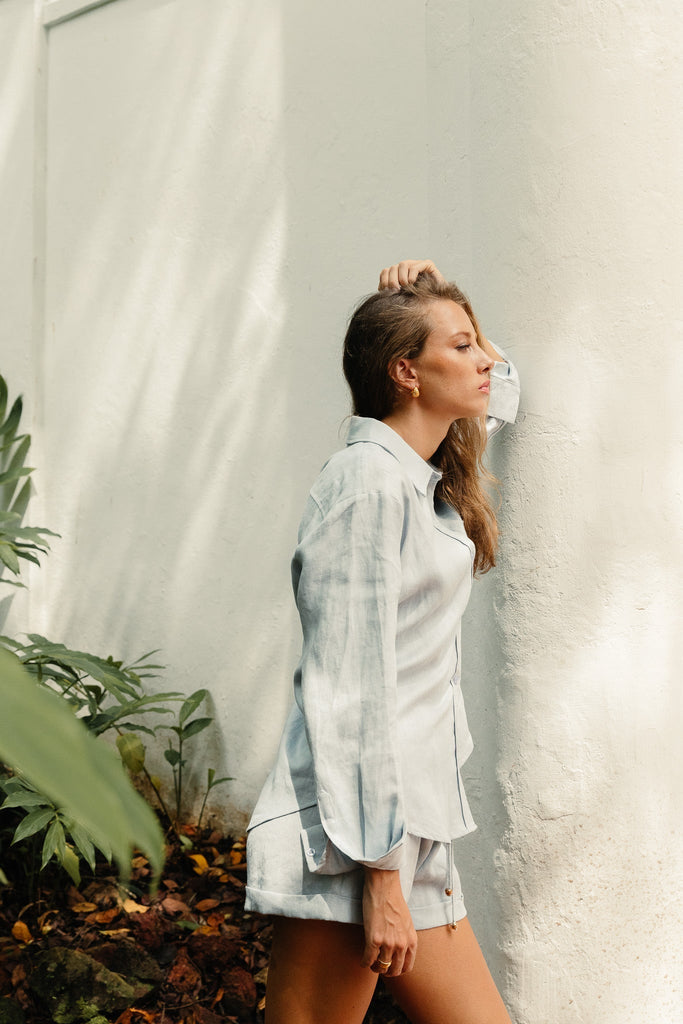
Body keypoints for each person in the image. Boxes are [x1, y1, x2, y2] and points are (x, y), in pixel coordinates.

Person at [245, 259, 520, 1023]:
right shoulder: (366, 485)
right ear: (405, 371)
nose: (484, 361)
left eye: (477, 345)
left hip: (412, 830)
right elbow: (350, 690)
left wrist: (440, 294)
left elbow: (505, 384)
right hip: (353, 844)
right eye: (460, 347)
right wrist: (378, 874)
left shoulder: (418, 474)